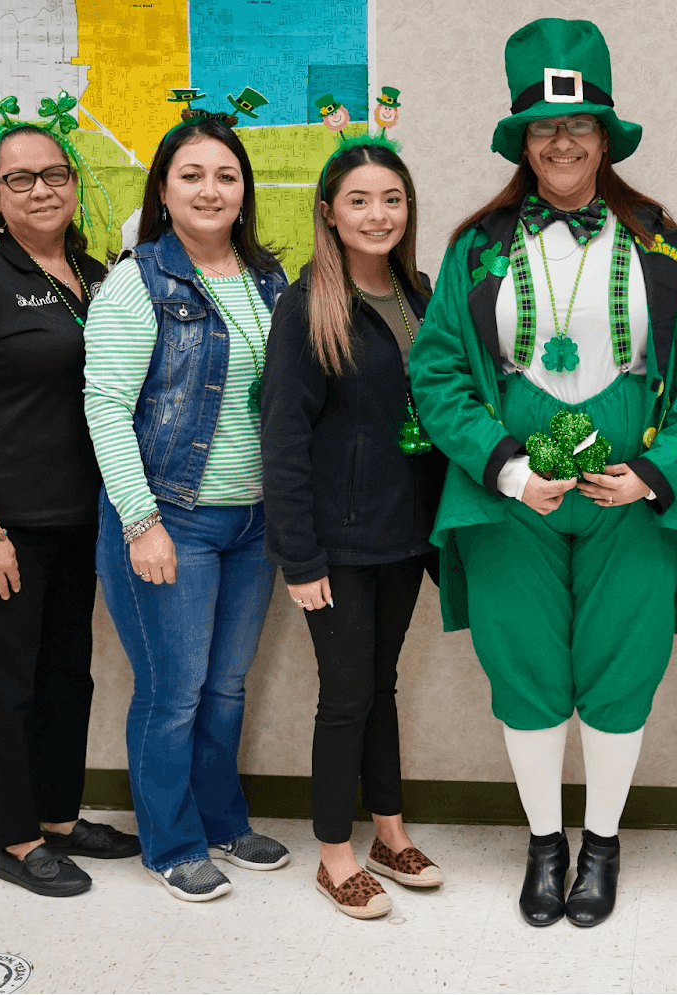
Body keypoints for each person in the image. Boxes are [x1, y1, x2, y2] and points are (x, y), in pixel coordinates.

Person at [410, 18, 677, 928]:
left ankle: (602, 844)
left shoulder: (662, 242)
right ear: (522, 141)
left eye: (580, 126)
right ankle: (545, 845)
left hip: (631, 494)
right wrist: (505, 467)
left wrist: (657, 473)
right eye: (545, 129)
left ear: (605, 137)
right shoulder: (477, 247)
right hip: (510, 497)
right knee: (527, 669)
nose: (562, 142)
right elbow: (434, 371)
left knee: (620, 668)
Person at [0, 89, 139, 896]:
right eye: (21, 180)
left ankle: (57, 813)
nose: (41, 190)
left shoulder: (96, 273)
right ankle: (15, 839)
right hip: (2, 519)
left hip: (81, 518)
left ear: (76, 184)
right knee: (5, 681)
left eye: (54, 174)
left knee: (65, 675)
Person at [83, 108, 292, 903]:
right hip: (171, 518)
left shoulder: (270, 280)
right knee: (174, 689)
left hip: (253, 519)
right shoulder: (138, 281)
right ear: (164, 193)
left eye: (226, 175)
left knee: (226, 685)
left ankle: (222, 821)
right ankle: (172, 842)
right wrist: (142, 522)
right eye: (192, 175)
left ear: (244, 192)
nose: (212, 189)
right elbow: (104, 406)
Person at [261, 135, 449, 919]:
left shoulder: (421, 294)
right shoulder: (308, 306)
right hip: (334, 546)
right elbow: (284, 438)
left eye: (393, 199)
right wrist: (299, 557)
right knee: (343, 696)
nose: (379, 214)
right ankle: (335, 853)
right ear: (331, 215)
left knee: (381, 684)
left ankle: (389, 829)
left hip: (405, 536)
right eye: (360, 200)